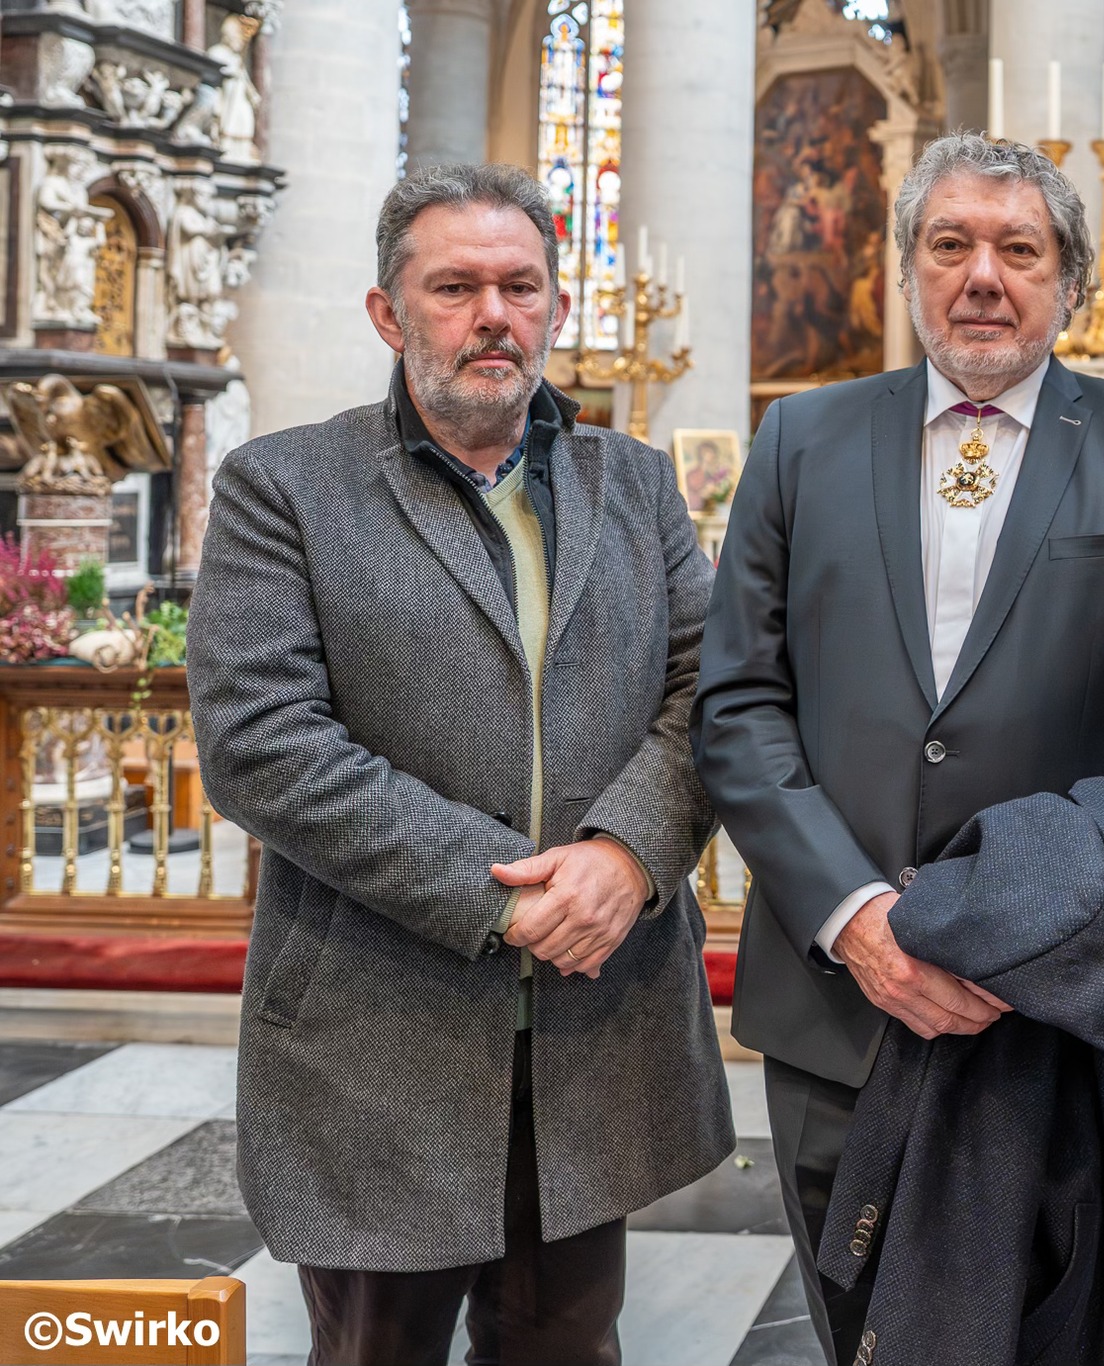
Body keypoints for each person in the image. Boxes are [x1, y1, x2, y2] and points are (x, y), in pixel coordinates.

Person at [691, 132, 1104, 1365]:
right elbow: (735, 704)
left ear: (1070, 284)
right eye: (950, 244)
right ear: (905, 268)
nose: (981, 275)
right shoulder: (801, 439)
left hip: (1062, 1011)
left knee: (1070, 1333)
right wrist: (857, 918)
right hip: (844, 1002)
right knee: (860, 1328)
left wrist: (1032, 931)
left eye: (1018, 249)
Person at [188, 163, 731, 1366]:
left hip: (596, 1030)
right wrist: (510, 898)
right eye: (456, 286)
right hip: (380, 1031)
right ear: (390, 314)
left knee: (565, 1348)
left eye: (520, 285)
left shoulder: (632, 485)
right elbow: (258, 745)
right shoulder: (286, 487)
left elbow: (713, 695)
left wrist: (625, 855)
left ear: (554, 306)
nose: (494, 314)